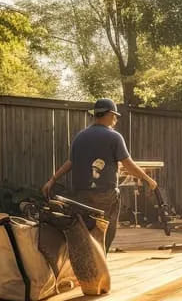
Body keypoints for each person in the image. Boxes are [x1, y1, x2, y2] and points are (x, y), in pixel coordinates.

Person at [42, 98, 157, 250]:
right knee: (106, 231)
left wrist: (52, 180)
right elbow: (128, 164)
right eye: (115, 115)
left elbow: (71, 163)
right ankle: (100, 262)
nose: (116, 119)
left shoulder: (80, 137)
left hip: (81, 194)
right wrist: (148, 179)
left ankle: (86, 264)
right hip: (105, 195)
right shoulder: (114, 137)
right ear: (108, 114)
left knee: (86, 231)